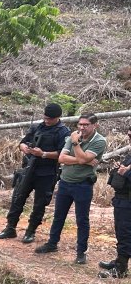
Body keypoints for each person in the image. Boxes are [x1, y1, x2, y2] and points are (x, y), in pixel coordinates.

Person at [34, 113, 106, 264]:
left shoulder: (99, 141)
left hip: (83, 184)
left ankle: (81, 252)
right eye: (80, 124)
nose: (82, 128)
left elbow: (82, 157)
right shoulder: (72, 136)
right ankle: (52, 243)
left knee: (82, 219)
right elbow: (62, 158)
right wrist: (83, 160)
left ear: (95, 125)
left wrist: (75, 144)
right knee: (59, 215)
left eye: (86, 125)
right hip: (65, 182)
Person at [0, 102, 71, 243]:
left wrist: (43, 154)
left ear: (58, 118)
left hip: (46, 172)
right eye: (45, 117)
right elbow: (23, 142)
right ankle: (10, 227)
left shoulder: (63, 132)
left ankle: (30, 231)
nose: (47, 121)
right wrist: (23, 147)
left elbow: (62, 154)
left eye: (50, 119)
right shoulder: (37, 127)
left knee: (39, 204)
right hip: (28, 168)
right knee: (18, 198)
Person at [99, 128, 131, 278]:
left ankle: (121, 269)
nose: (129, 137)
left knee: (125, 233)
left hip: (128, 201)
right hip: (122, 199)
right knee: (121, 231)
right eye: (129, 134)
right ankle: (120, 260)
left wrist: (127, 172)